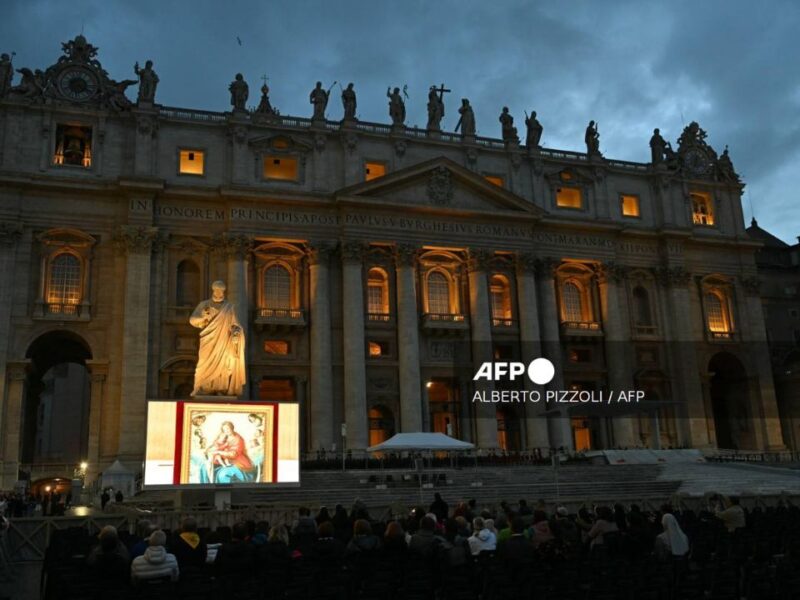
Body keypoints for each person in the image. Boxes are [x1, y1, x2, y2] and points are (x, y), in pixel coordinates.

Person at [190, 281, 246, 397]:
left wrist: (236, 332)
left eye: (221, 291)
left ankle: (221, 389)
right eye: (217, 290)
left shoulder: (229, 307)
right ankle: (202, 387)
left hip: (224, 341)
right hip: (208, 339)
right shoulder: (204, 305)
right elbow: (192, 320)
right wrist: (203, 316)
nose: (219, 293)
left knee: (223, 365)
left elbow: (236, 325)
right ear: (213, 291)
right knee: (203, 363)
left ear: (224, 292)